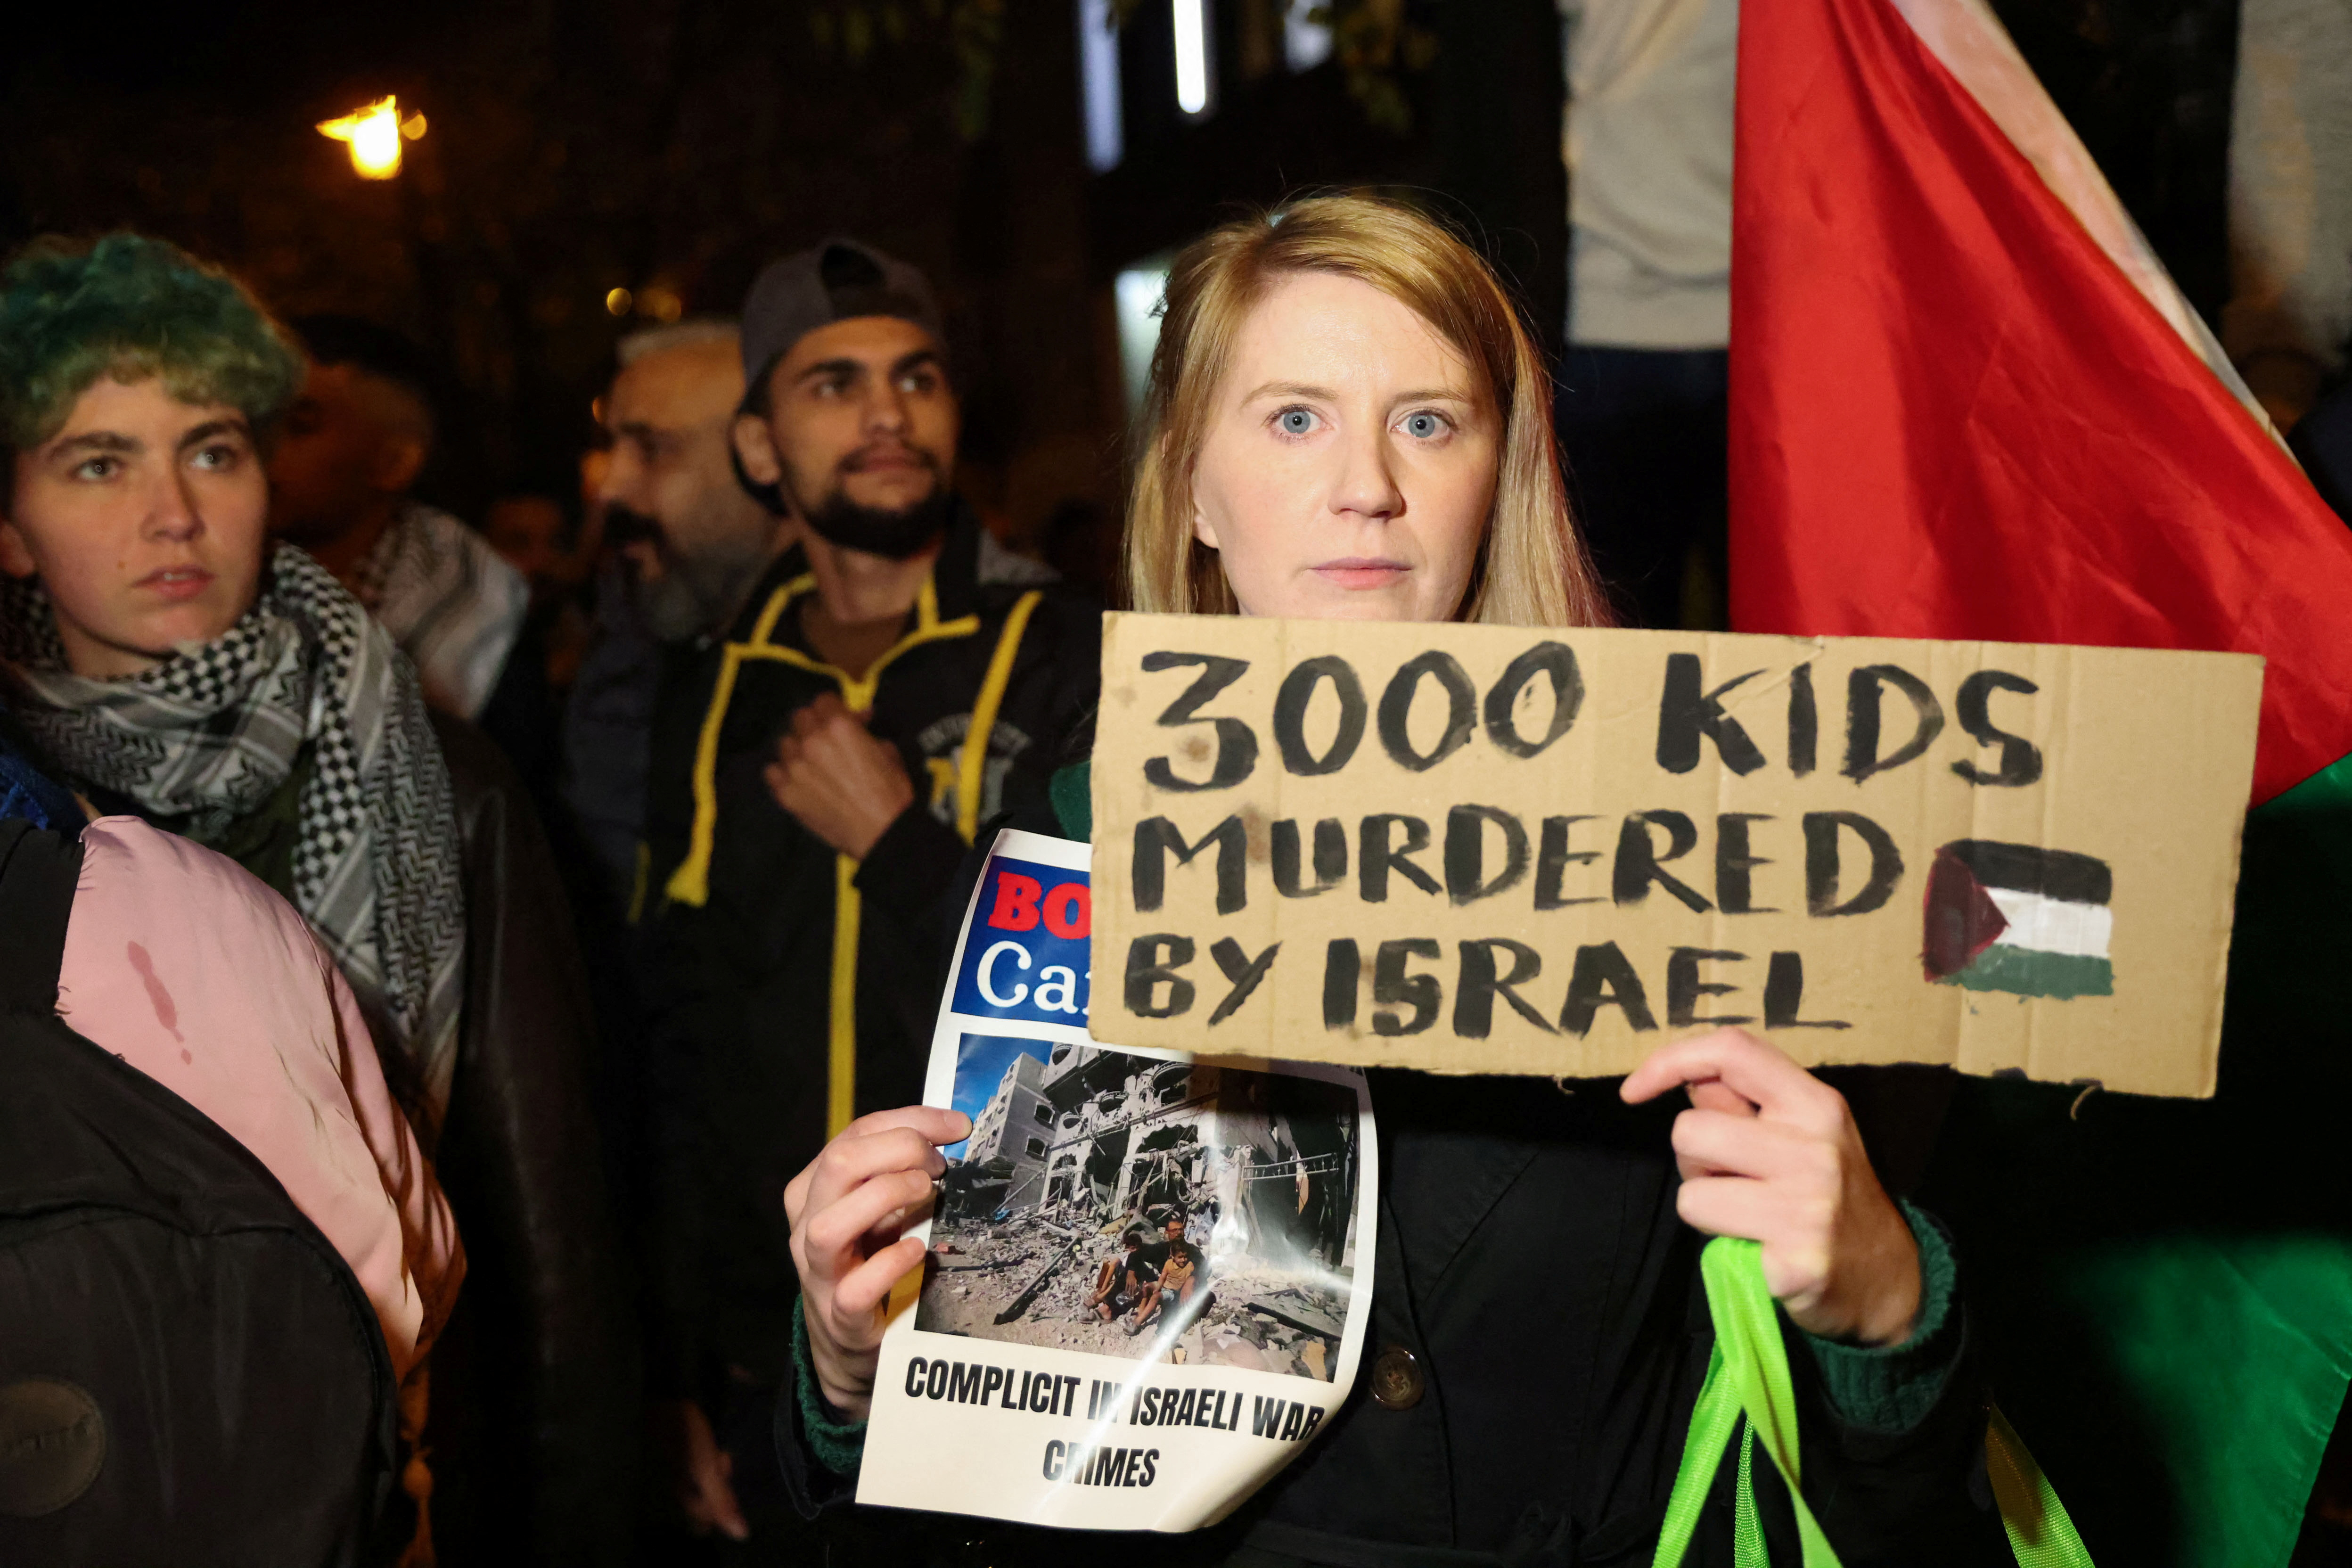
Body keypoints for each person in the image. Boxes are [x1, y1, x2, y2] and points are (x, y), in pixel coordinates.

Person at [777, 196, 2005, 1565]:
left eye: (1428, 420)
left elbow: (1882, 1508)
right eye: (1295, 418)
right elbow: (954, 1485)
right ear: (1190, 486)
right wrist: (845, 1365)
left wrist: (1886, 1309)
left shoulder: (1694, 842)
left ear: (1501, 475)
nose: (1367, 482)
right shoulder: (1058, 856)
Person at [0, 232, 634, 1566]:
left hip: (394, 1475)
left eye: (212, 450)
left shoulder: (423, 761)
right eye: (98, 461)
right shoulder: (16, 804)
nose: (172, 510)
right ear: (10, 523)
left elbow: (547, 1228)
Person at [633, 236, 1101, 1555]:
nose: (886, 412)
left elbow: (1122, 1016)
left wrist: (899, 840)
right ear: (759, 445)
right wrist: (680, 1361)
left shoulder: (1073, 649)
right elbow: (673, 1039)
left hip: (1024, 1328)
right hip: (781, 1342)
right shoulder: (712, 685)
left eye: (916, 377)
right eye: (833, 383)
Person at [269, 313, 532, 725]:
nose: (260, 445)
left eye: (299, 426)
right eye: (255, 420)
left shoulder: (480, 609)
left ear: (393, 463)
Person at [1125, 1212, 1203, 1337]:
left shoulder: (1192, 1250)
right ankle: (1114, 1309)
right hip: (1166, 1286)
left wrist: (1191, 1280)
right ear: (1167, 1233)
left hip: (1183, 1289)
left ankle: (1167, 1331)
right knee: (1131, 1273)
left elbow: (1204, 1267)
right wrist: (1131, 1271)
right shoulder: (1162, 1248)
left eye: (1181, 1230)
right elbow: (1138, 1253)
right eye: (1174, 1230)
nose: (1178, 1233)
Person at [1087, 1228, 1149, 1322]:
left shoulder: (1142, 1260)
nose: (1133, 1251)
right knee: (1114, 1262)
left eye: (1134, 1248)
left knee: (1120, 1283)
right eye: (1131, 1248)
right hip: (1123, 1276)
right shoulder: (1130, 1257)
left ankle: (1107, 1308)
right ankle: (1102, 1290)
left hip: (1130, 1284)